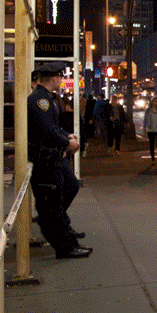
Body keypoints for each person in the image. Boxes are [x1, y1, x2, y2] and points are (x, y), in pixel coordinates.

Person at [27, 62, 91, 259]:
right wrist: (67, 142)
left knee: (70, 187)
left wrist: (66, 138)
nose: (62, 81)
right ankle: (65, 245)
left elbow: (53, 128)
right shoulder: (41, 100)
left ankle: (65, 233)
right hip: (45, 160)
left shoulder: (46, 99)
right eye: (60, 77)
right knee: (51, 204)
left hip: (54, 157)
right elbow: (47, 131)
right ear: (54, 78)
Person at [142, 97, 157, 166]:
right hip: (150, 129)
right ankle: (152, 159)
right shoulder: (148, 110)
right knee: (151, 145)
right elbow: (145, 119)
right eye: (154, 101)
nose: (155, 102)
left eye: (156, 101)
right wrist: (144, 128)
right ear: (151, 102)